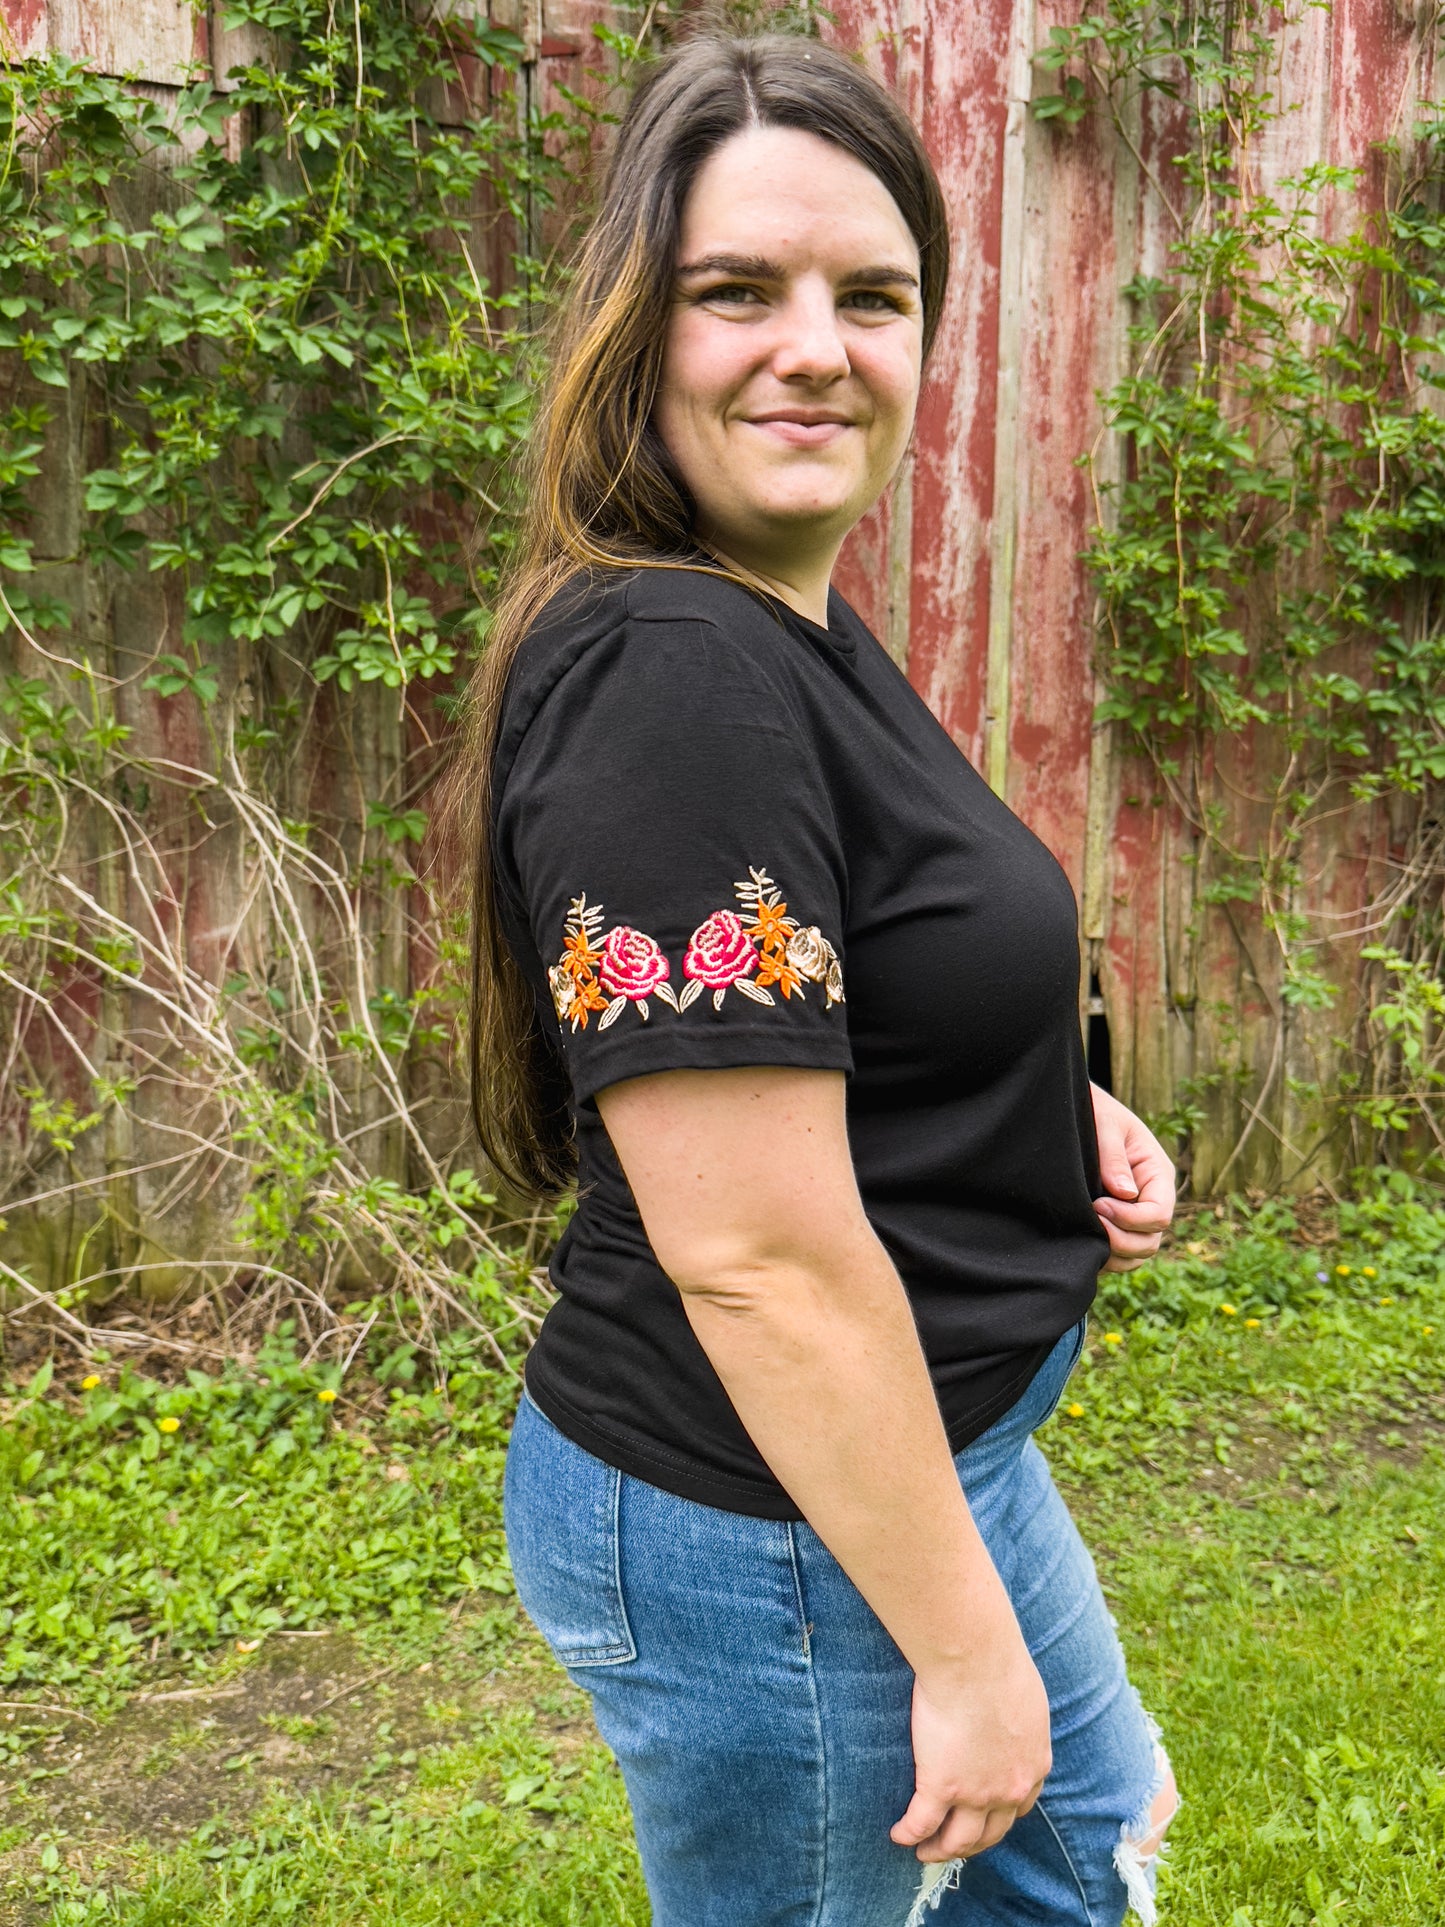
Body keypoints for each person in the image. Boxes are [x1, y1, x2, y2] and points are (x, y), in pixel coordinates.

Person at [459, 31, 1180, 1927]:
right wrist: (959, 1656)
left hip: (926, 1456)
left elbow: (841, 990)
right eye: (734, 292)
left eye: (872, 295)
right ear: (637, 330)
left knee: (1078, 1860)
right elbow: (753, 1256)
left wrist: (1030, 1102)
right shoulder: (670, 682)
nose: (816, 346)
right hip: (766, 1525)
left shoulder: (784, 617)